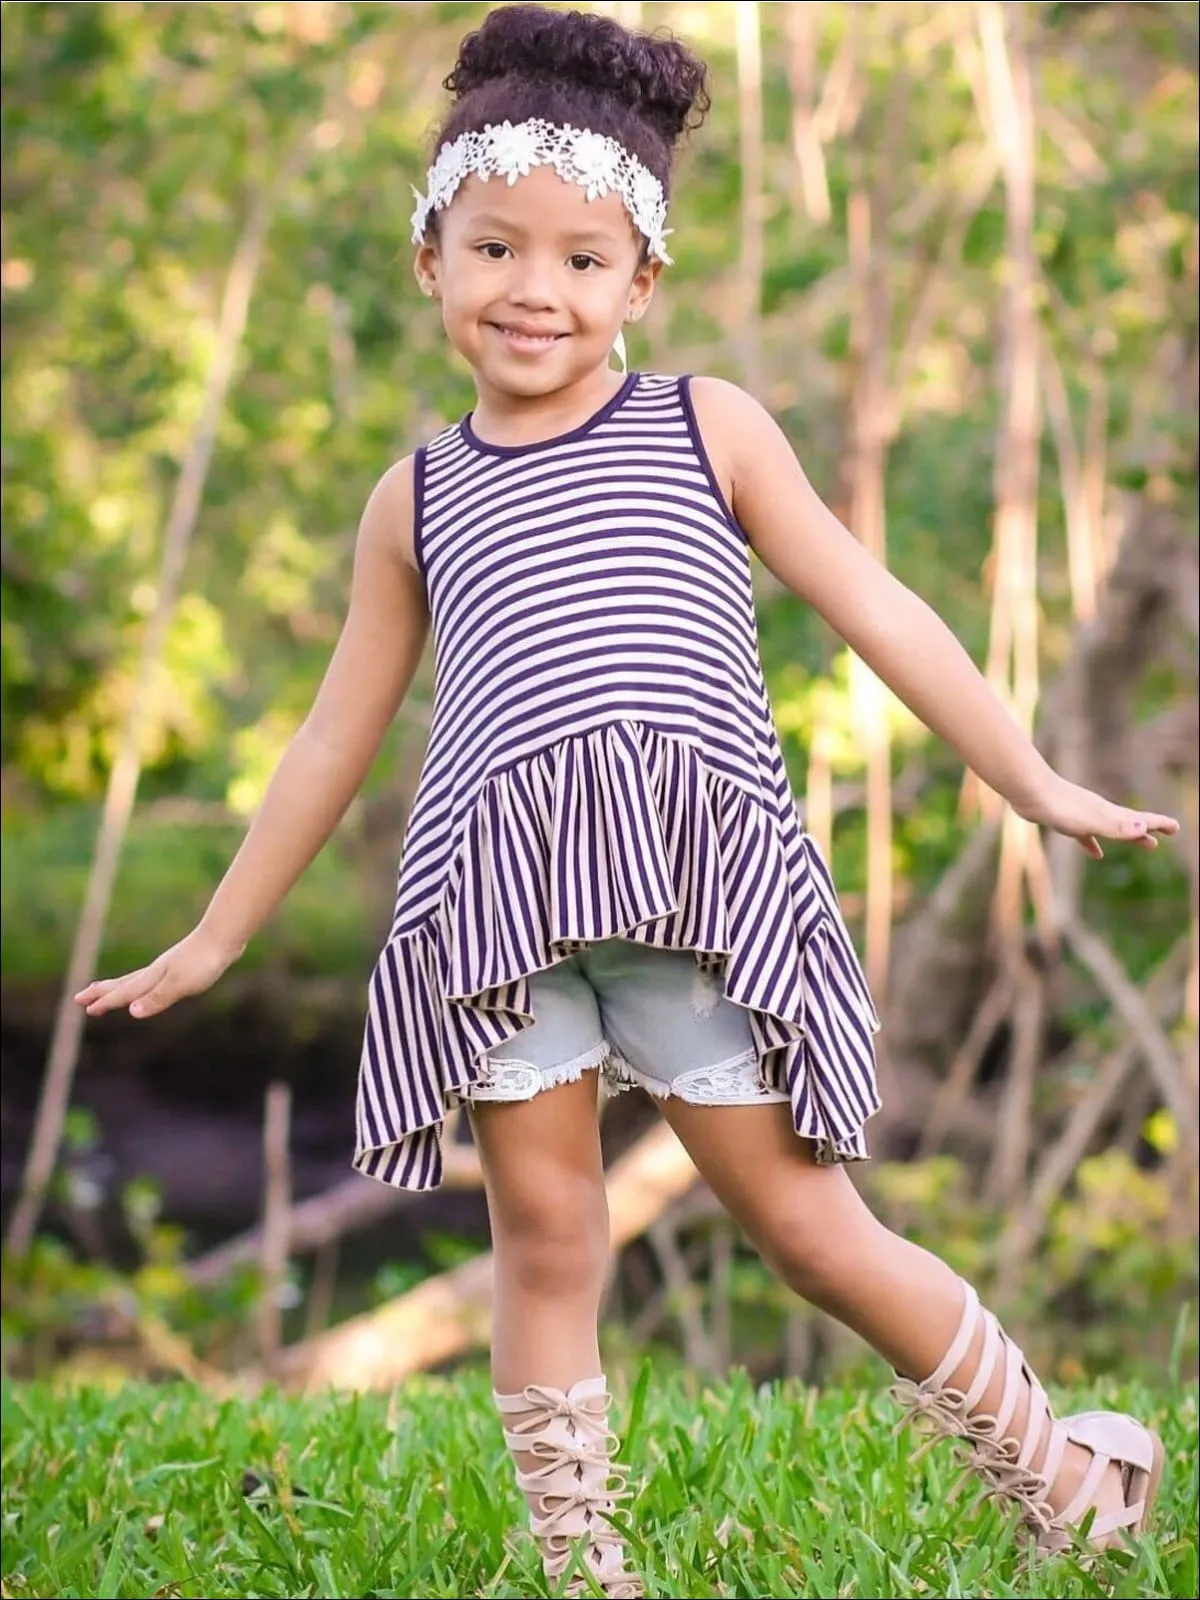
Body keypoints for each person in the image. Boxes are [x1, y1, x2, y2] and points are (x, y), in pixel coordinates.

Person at [77, 6, 1177, 1595]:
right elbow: (332, 739)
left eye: (584, 260)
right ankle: (581, 1557)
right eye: (497, 248)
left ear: (640, 281)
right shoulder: (416, 498)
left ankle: (1064, 1467)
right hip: (507, 917)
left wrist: (1030, 776)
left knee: (811, 1234)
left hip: (691, 906)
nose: (537, 288)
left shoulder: (705, 427)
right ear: (432, 259)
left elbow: (881, 612)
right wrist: (214, 938)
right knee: (547, 1234)